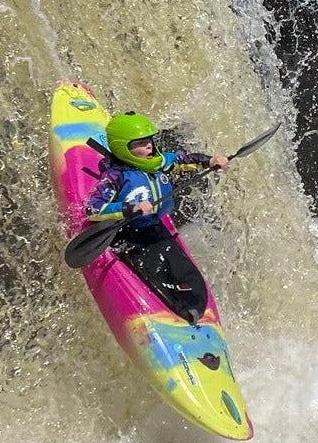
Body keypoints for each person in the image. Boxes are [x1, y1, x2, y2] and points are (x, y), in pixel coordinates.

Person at [84, 111, 228, 323]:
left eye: (149, 141)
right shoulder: (116, 176)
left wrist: (211, 161)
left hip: (155, 231)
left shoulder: (159, 162)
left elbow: (183, 159)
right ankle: (168, 307)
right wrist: (129, 208)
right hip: (129, 236)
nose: (149, 146)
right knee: (156, 272)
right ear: (124, 148)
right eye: (141, 143)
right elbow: (93, 208)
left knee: (183, 272)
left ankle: (191, 309)